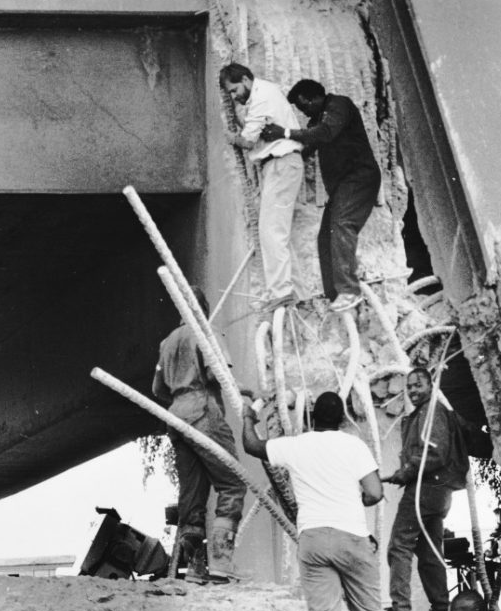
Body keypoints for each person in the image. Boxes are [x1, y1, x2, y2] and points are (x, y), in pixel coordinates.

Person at [242, 389, 393, 611]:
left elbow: (251, 445)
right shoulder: (355, 445)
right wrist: (359, 500)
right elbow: (375, 493)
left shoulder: (297, 445)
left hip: (313, 541)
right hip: (353, 539)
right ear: (342, 418)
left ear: (312, 416)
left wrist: (249, 417)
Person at [151, 286, 247, 584]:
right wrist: (244, 392)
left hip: (176, 418)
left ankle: (194, 567)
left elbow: (157, 390)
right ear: (203, 309)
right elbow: (218, 374)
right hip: (204, 413)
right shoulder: (205, 332)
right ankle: (220, 565)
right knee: (232, 484)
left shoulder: (167, 342)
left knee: (192, 497)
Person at [261, 78, 380, 313]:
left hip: (359, 178)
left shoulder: (338, 106)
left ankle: (349, 290)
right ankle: (334, 294)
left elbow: (325, 133)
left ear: (314, 97)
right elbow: (308, 146)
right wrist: (276, 158)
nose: (304, 111)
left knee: (342, 224)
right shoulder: (317, 121)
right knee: (325, 237)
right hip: (342, 187)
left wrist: (284, 132)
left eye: (304, 105)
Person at [383, 367, 469, 611]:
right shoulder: (426, 412)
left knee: (399, 545)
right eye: (409, 386)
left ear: (431, 385)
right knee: (431, 553)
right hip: (439, 493)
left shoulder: (431, 411)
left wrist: (406, 472)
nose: (413, 390)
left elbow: (435, 452)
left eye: (418, 384)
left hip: (424, 488)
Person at [219, 62, 306, 310]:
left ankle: (281, 293)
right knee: (276, 231)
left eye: (235, 90)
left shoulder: (262, 96)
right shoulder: (263, 94)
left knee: (271, 231)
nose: (235, 96)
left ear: (246, 79)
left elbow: (247, 140)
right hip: (278, 166)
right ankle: (295, 292)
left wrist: (232, 137)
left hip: (281, 163)